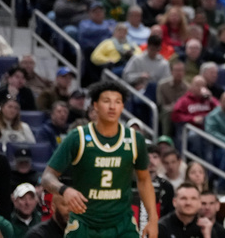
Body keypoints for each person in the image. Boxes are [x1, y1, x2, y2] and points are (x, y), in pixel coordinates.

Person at [41, 79, 159, 238]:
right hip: (84, 223)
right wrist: (64, 190)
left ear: (122, 106)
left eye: (117, 102)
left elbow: (144, 180)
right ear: (95, 105)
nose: (112, 106)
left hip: (122, 224)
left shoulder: (134, 139)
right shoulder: (78, 137)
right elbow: (47, 177)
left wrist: (152, 219)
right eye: (106, 101)